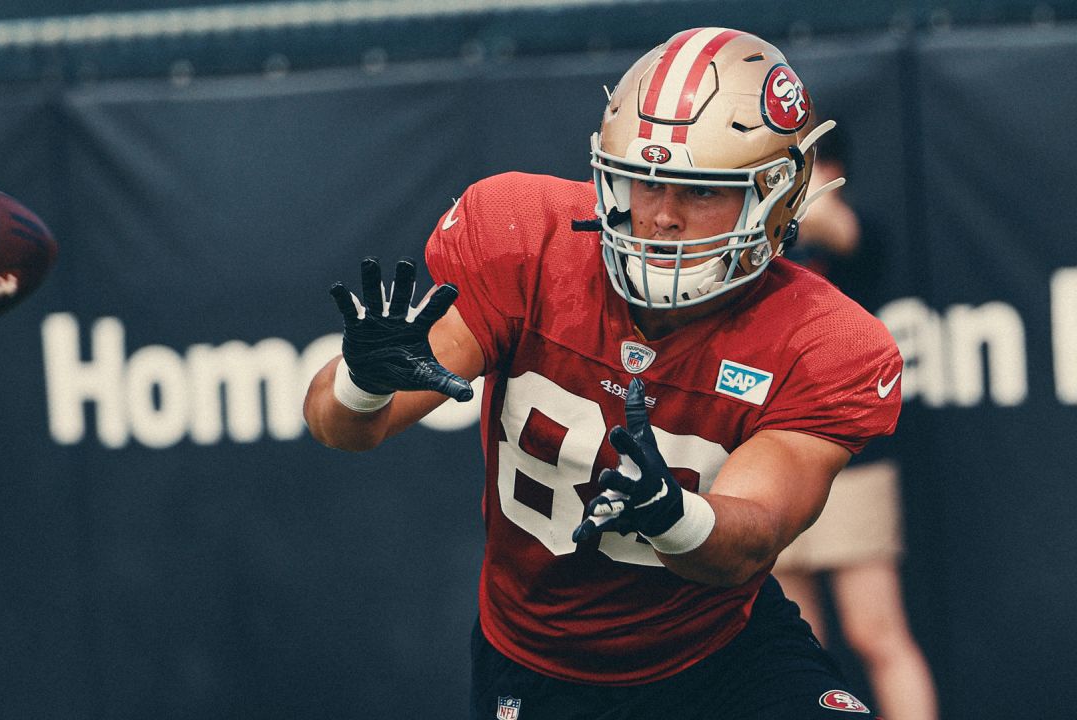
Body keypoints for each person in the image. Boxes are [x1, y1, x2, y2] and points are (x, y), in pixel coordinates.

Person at [304, 27, 902, 719]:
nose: (662, 216)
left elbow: (753, 534)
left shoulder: (822, 339)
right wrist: (360, 381)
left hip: (719, 653)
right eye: (642, 179)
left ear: (777, 195)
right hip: (541, 663)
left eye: (698, 191)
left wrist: (672, 516)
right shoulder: (528, 246)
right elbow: (344, 429)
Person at [774, 135, 940, 720]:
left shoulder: (850, 227)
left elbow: (831, 224)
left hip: (848, 460)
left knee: (876, 634)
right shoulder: (745, 237)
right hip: (765, 458)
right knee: (798, 651)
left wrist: (787, 199)